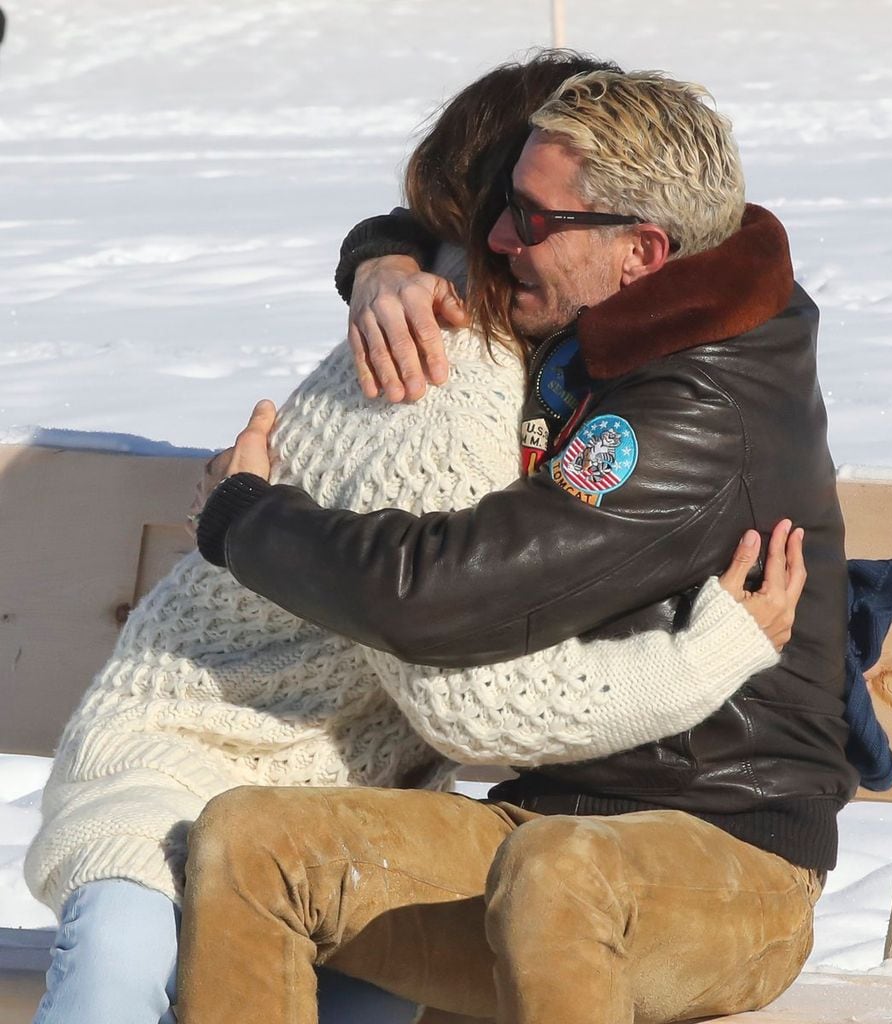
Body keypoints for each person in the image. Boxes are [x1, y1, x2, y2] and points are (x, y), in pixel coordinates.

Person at [24, 55, 802, 1024]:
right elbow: (468, 695)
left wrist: (383, 259)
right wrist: (716, 651)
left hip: (360, 807)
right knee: (122, 963)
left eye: (541, 216)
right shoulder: (452, 373)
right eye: (510, 209)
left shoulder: (594, 369)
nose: (518, 234)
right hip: (200, 766)